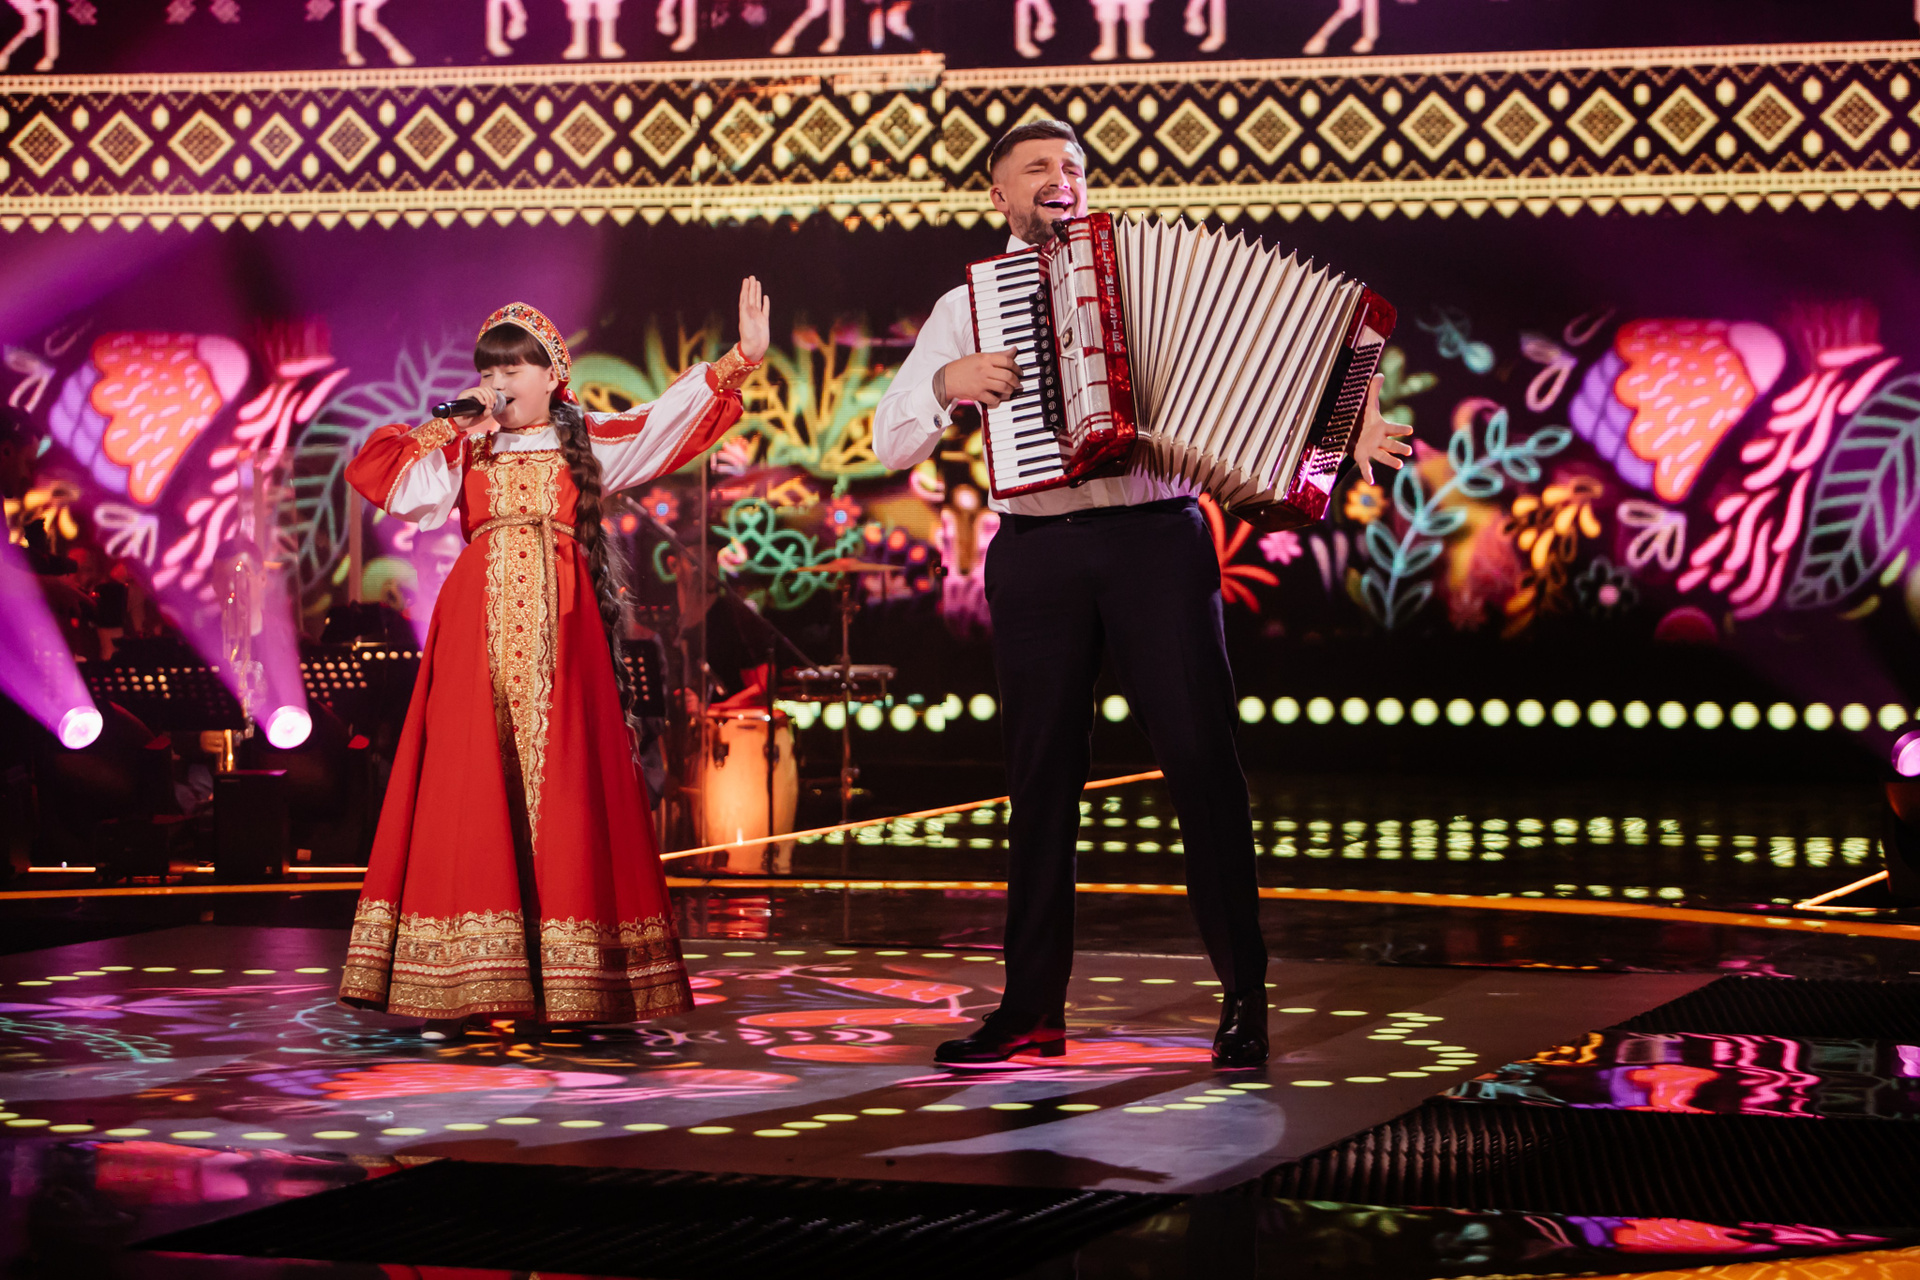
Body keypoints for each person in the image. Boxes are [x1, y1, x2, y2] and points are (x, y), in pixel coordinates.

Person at [873, 121, 1410, 1068]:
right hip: (1037, 549)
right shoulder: (966, 307)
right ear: (998, 195)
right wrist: (949, 384)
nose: (1061, 179)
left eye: (1073, 167)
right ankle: (1031, 1010)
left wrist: (1339, 430)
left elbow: (1274, 365)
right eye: (1038, 168)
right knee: (1040, 783)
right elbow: (891, 441)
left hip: (1155, 540)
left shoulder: (1147, 278)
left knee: (1202, 764)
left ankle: (1244, 999)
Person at [339, 281, 771, 1037]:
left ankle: (571, 978)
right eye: (489, 368)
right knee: (471, 781)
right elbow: (381, 474)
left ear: (552, 376)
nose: (499, 381)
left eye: (514, 367)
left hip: (561, 633)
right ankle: (472, 977)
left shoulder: (589, 440)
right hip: (474, 629)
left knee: (566, 785)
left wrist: (740, 360)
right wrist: (449, 423)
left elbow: (667, 420)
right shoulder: (467, 445)